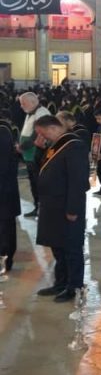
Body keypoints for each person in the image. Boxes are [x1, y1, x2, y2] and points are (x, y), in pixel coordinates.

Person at [33, 115, 89, 302]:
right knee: (57, 246)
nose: (42, 138)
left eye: (42, 134)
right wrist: (40, 148)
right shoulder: (56, 144)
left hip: (66, 206)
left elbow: (77, 181)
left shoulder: (74, 145)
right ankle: (61, 282)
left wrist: (73, 209)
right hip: (52, 206)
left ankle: (74, 286)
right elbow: (43, 166)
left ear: (51, 129)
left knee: (71, 247)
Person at [17, 92, 50, 217]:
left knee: (39, 183)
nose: (21, 106)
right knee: (33, 182)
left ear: (32, 102)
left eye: (23, 103)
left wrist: (22, 146)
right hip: (28, 154)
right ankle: (37, 206)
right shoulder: (30, 112)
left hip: (37, 154)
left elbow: (37, 134)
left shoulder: (42, 113)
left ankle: (43, 208)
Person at [0, 113, 19, 272]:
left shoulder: (3, 132)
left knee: (6, 227)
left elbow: (3, 166)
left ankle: (7, 258)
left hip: (4, 192)